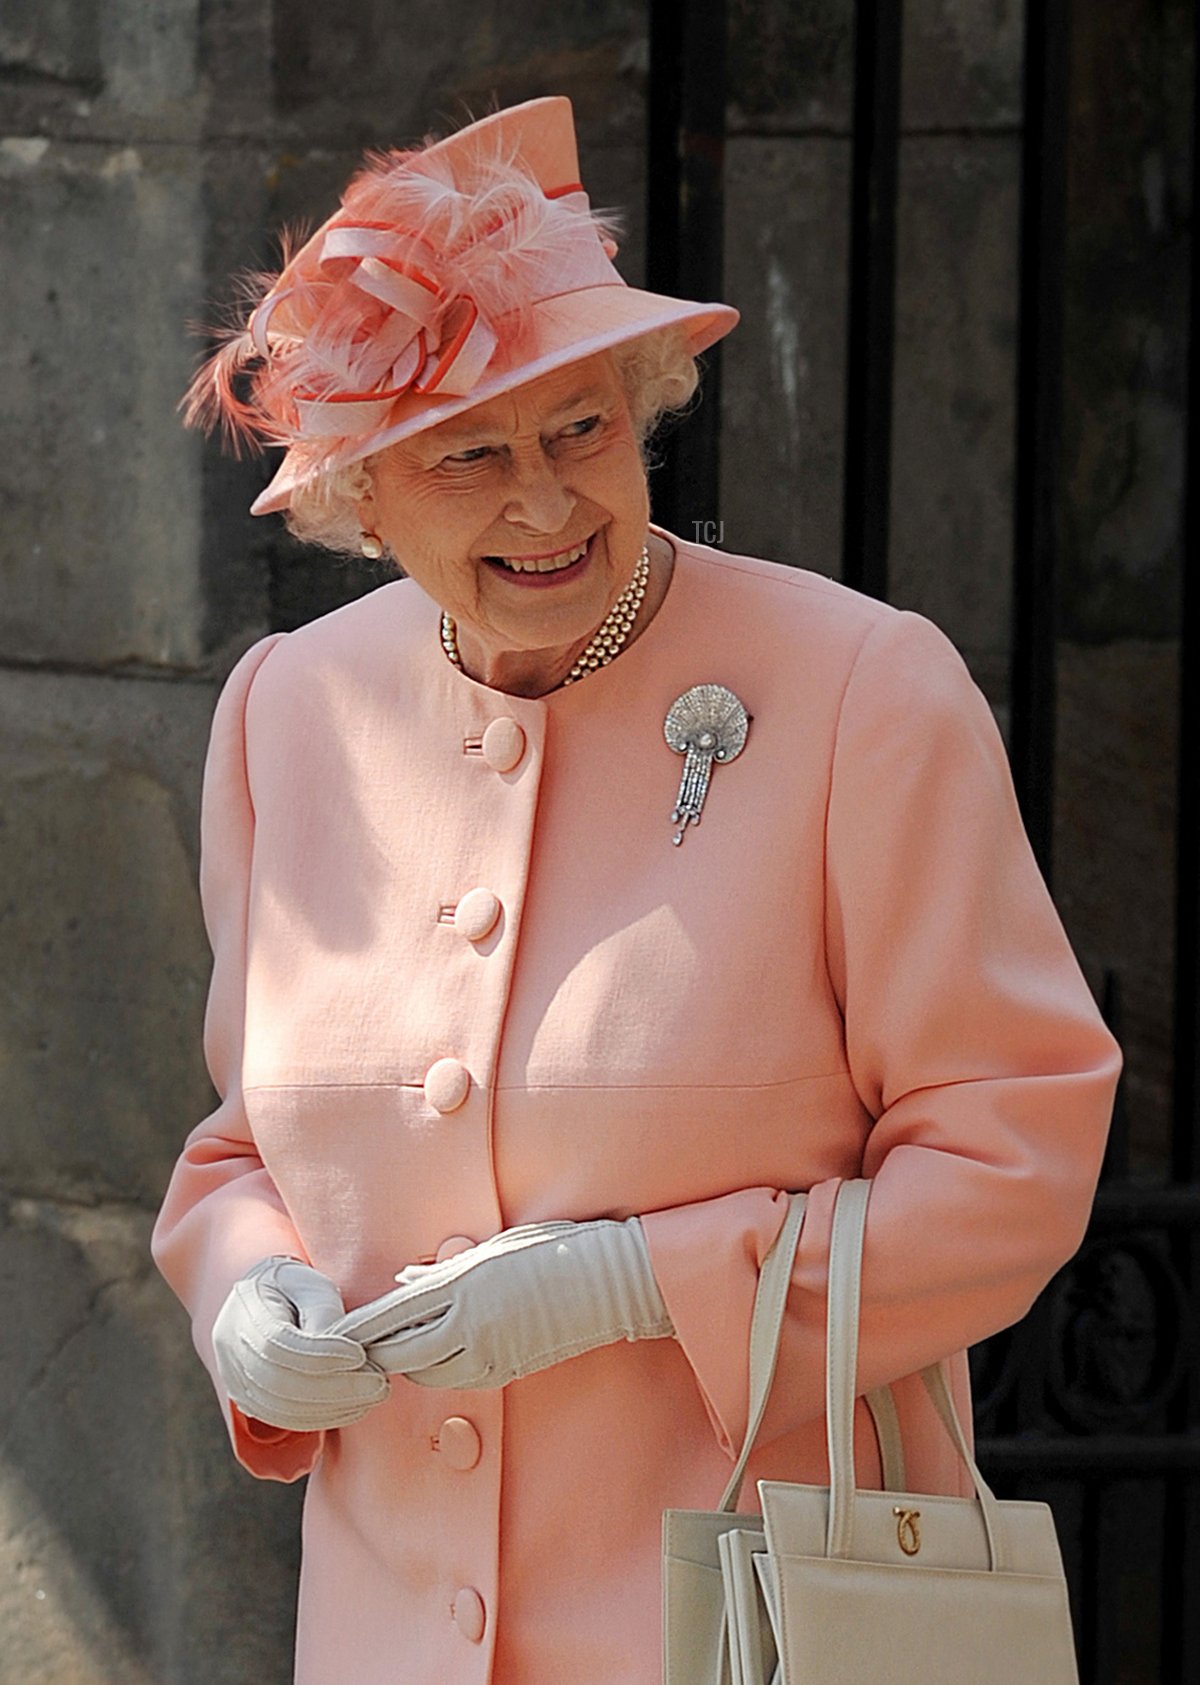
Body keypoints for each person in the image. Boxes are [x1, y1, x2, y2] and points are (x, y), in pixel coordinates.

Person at [152, 95, 1122, 1684]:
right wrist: (247, 1287)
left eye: (581, 428)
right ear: (362, 499)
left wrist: (640, 1282)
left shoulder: (863, 691)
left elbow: (1014, 1157)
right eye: (468, 454)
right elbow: (243, 1141)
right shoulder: (286, 714)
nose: (545, 501)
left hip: (763, 1628)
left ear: (644, 407)